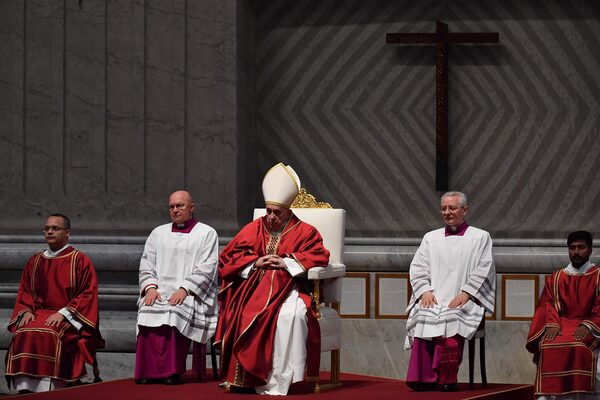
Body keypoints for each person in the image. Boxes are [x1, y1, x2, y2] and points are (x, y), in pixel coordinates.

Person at [214, 163, 330, 395]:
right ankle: (246, 378)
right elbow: (228, 257)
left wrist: (286, 262)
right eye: (268, 211)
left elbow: (320, 255)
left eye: (277, 213)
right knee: (242, 313)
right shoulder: (255, 227)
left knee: (290, 317)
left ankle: (279, 379)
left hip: (290, 288)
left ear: (288, 211)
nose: (271, 217)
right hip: (251, 289)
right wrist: (255, 262)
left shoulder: (306, 231)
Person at [404, 191, 496, 392]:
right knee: (422, 314)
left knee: (452, 318)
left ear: (465, 210)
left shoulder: (480, 237)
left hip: (464, 298)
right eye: (444, 208)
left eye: (452, 208)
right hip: (434, 297)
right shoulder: (431, 238)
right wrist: (424, 291)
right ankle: (423, 378)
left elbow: (485, 268)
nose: (447, 212)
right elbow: (418, 267)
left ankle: (446, 377)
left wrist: (467, 293)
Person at [5, 213, 104, 393]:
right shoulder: (35, 261)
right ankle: (25, 387)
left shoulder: (78, 260)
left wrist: (64, 313)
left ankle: (52, 387)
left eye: (55, 228)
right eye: (47, 228)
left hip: (67, 315)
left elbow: (88, 292)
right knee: (23, 331)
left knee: (51, 332)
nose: (49, 232)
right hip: (38, 312)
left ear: (67, 233)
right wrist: (26, 310)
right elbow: (25, 290)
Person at [135, 190, 219, 385]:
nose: (175, 210)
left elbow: (208, 267)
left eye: (180, 205)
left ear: (192, 207)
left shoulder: (206, 233)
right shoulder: (158, 233)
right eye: (171, 206)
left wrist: (185, 289)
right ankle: (147, 371)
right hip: (159, 291)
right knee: (147, 308)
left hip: (190, 294)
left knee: (174, 312)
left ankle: (171, 372)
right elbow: (146, 262)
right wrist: (150, 288)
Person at [527, 230, 600, 399]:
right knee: (548, 343)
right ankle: (550, 395)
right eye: (572, 248)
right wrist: (552, 323)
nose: (576, 252)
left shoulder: (597, 276)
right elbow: (547, 304)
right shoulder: (557, 277)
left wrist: (588, 326)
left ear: (590, 250)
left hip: (589, 325)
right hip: (561, 324)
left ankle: (581, 395)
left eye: (581, 247)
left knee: (577, 345)